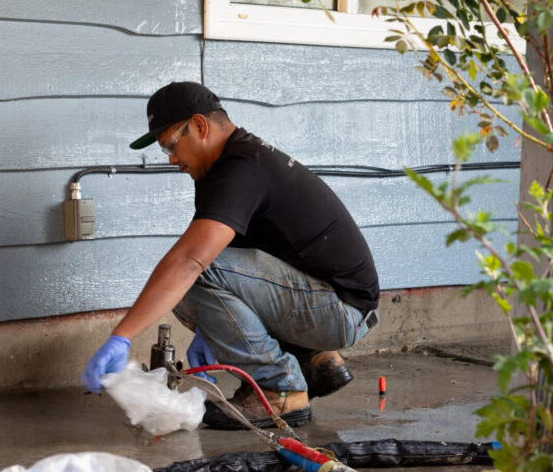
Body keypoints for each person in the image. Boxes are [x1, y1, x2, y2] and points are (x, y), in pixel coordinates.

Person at [81, 82, 380, 428]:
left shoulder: (241, 168)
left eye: (170, 146)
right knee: (192, 274)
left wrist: (122, 336)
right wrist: (210, 329)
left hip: (339, 310)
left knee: (192, 271)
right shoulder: (231, 166)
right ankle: (313, 360)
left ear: (200, 126)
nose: (173, 160)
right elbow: (237, 264)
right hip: (333, 300)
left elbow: (191, 261)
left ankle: (280, 388)